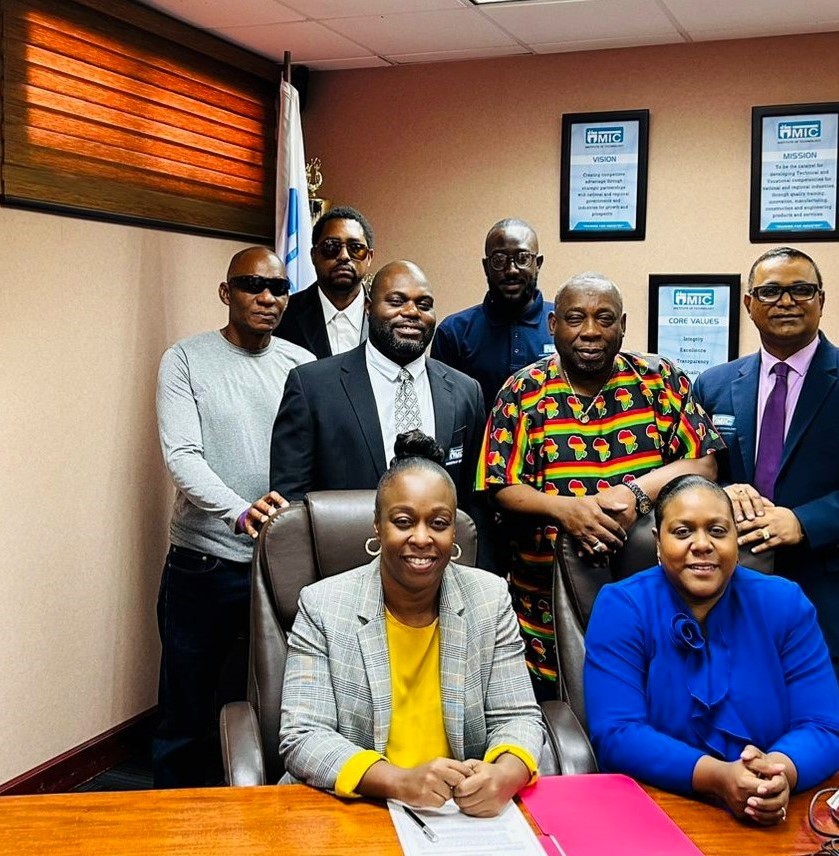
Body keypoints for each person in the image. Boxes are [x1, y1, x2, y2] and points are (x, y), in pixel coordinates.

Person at [694, 247, 839, 729]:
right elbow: (698, 472)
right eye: (770, 291)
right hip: (732, 605)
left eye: (801, 290)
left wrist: (802, 522)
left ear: (821, 300)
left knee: (836, 747)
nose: (786, 301)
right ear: (749, 303)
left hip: (836, 611)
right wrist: (725, 490)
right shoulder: (713, 385)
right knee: (741, 744)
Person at [476, 272, 722, 700]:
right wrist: (566, 511)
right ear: (553, 325)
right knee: (560, 716)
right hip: (543, 608)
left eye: (604, 318)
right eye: (576, 318)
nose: (590, 331)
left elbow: (704, 461)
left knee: (654, 703)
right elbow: (499, 485)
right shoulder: (522, 391)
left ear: (622, 326)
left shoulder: (659, 379)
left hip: (655, 597)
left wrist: (634, 494)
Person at [279, 432, 543, 815]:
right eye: (403, 522)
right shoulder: (323, 605)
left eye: (438, 523)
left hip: (458, 815)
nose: (422, 538)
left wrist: (506, 774)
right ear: (378, 526)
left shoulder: (489, 599)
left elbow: (517, 717)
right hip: (356, 809)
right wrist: (399, 781)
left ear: (454, 531)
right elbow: (303, 736)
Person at [584, 475, 839, 824]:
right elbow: (617, 733)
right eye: (683, 532)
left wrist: (777, 773)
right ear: (658, 543)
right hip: (655, 810)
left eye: (718, 531)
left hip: (773, 812)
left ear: (735, 540)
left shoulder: (784, 603)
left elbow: (823, 726)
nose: (702, 544)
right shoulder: (623, 607)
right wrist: (718, 778)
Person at [154, 247, 314, 787]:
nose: (267, 297)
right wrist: (240, 511)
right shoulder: (185, 359)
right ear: (226, 292)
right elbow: (182, 456)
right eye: (252, 285)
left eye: (279, 288)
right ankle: (174, 818)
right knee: (187, 711)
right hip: (205, 563)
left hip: (283, 564)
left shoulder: (301, 365)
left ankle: (260, 816)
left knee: (280, 703)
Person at [270, 260, 485, 517]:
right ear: (368, 308)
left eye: (424, 305)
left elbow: (474, 501)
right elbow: (290, 503)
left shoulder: (466, 392)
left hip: (438, 541)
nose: (411, 312)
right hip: (344, 540)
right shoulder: (312, 387)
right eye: (396, 302)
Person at [431, 219, 554, 412]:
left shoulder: (563, 325)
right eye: (499, 260)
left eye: (522, 258)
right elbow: (444, 411)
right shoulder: (453, 332)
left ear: (538, 263)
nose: (511, 270)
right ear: (486, 266)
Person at [273, 206, 375, 359]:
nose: (344, 256)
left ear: (369, 257)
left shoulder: (387, 315)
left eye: (355, 248)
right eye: (331, 247)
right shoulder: (283, 315)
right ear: (314, 255)